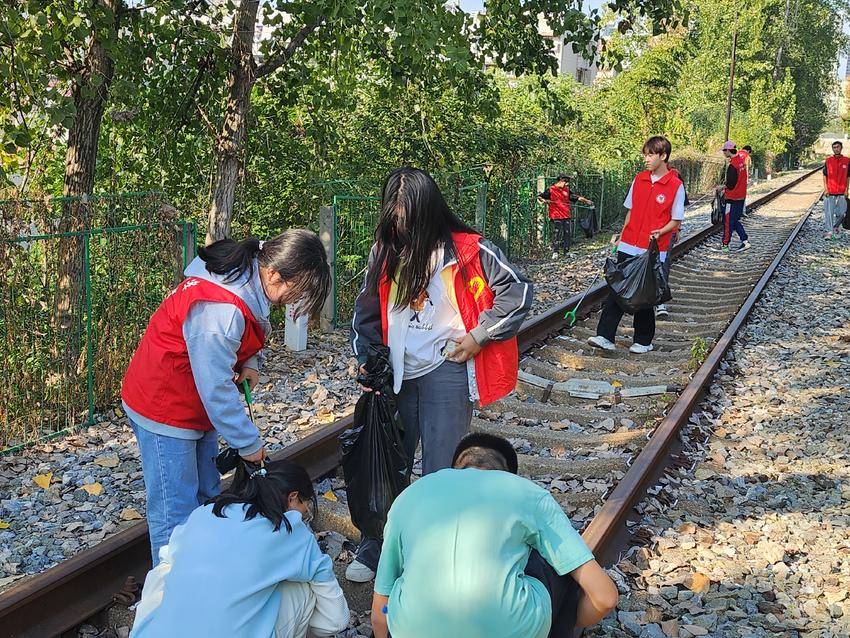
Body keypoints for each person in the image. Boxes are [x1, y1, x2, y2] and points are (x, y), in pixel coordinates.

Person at [348, 167, 533, 582]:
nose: (399, 227)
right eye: (392, 218)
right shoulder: (384, 251)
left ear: (429, 213)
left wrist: (480, 336)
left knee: (439, 471)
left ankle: (430, 555)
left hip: (447, 372)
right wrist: (366, 356)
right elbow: (366, 315)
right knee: (385, 465)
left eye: (406, 219)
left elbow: (518, 292)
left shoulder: (470, 251)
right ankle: (377, 545)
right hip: (394, 376)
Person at [121, 231, 331, 565]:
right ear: (276, 274)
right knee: (174, 512)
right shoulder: (221, 307)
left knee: (206, 494)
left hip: (193, 406)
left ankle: (204, 568)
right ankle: (171, 596)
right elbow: (216, 387)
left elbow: (250, 330)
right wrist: (248, 444)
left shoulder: (248, 276)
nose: (295, 300)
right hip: (164, 406)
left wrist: (249, 361)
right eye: (299, 290)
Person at [369, 432, 618, 638]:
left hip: (413, 630)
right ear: (507, 474)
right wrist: (562, 623)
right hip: (515, 629)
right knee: (556, 562)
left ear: (455, 469)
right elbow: (604, 597)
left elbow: (380, 611)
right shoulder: (528, 493)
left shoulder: (410, 496)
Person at [131, 459, 349, 638]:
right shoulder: (290, 529)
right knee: (305, 589)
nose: (304, 515)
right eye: (305, 508)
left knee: (167, 566)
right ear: (292, 498)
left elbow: (167, 561)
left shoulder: (206, 513)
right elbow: (334, 620)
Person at [588, 135, 685, 355]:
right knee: (617, 289)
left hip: (653, 249)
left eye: (651, 155)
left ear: (663, 156)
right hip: (629, 243)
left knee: (644, 295)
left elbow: (676, 220)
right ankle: (605, 336)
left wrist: (661, 231)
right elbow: (630, 212)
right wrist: (621, 237)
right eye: (645, 155)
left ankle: (643, 339)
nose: (646, 159)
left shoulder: (675, 185)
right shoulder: (639, 179)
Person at [538, 174, 594, 259]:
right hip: (556, 215)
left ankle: (566, 251)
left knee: (567, 233)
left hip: (566, 215)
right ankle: (555, 252)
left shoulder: (566, 190)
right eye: (566, 181)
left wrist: (587, 201)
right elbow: (540, 197)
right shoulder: (551, 189)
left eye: (568, 182)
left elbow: (576, 197)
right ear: (561, 180)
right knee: (557, 233)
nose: (567, 184)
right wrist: (545, 201)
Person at [718, 140, 751, 252]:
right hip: (741, 197)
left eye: (724, 150)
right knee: (735, 220)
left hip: (732, 198)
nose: (723, 152)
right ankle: (745, 241)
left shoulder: (733, 165)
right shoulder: (741, 161)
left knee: (728, 222)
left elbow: (731, 184)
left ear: (728, 150)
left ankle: (725, 245)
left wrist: (722, 188)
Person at [822, 140, 849, 239]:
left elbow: (848, 177)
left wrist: (847, 189)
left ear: (841, 148)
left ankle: (836, 229)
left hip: (842, 191)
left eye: (838, 147)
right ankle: (829, 232)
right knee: (829, 213)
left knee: (842, 213)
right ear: (832, 149)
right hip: (830, 191)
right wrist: (826, 189)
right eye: (834, 147)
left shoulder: (847, 161)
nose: (836, 149)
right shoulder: (828, 161)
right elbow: (825, 176)